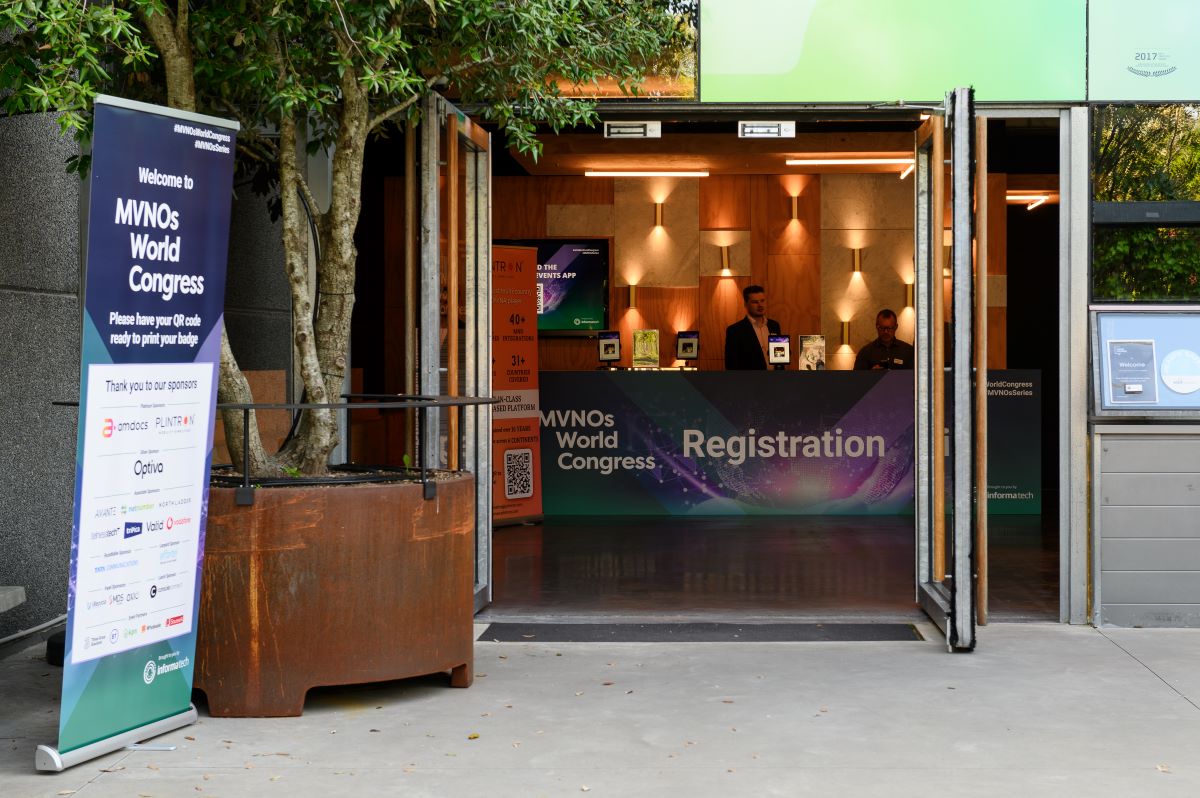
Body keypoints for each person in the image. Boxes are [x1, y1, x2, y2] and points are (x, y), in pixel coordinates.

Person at [724, 284, 781, 370]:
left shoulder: (774, 326)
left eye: (762, 301)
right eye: (755, 302)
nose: (760, 305)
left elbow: (779, 357)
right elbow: (731, 365)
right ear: (746, 304)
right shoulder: (735, 331)